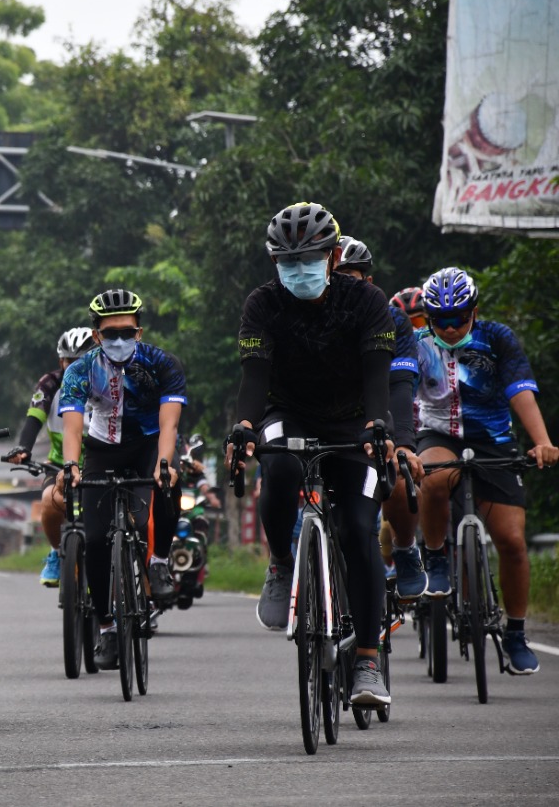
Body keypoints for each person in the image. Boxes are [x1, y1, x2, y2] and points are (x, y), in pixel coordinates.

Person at [226, 202, 396, 707]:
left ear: (333, 256)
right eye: (286, 261)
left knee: (360, 532)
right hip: (289, 412)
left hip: (355, 419)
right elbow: (254, 379)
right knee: (277, 464)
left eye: (309, 258)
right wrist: (243, 426)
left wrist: (378, 425)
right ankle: (281, 563)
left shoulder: (365, 302)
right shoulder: (262, 304)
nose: (297, 270)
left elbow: (378, 377)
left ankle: (367, 660)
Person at [413, 266, 557, 675]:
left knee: (512, 541)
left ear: (474, 312)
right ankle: (436, 559)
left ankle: (514, 632)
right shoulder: (418, 344)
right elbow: (399, 387)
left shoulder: (497, 338)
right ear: (427, 318)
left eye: (460, 317)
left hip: (492, 439)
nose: (452, 327)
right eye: (441, 320)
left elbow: (520, 389)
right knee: (433, 477)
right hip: (438, 433)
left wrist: (542, 441)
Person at [59, 288, 186, 670]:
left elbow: (169, 423)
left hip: (149, 444)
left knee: (166, 483)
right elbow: (72, 428)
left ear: (139, 333)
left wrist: (164, 463)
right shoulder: (80, 370)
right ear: (95, 335)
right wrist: (71, 466)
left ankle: (159, 561)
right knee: (96, 540)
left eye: (127, 332)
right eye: (110, 333)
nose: (119, 340)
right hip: (102, 449)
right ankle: (107, 627)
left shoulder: (163, 364)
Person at [335, 237, 428, 598]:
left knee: (402, 480)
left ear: (368, 282)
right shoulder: (308, 311)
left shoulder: (391, 319)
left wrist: (403, 444)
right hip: (330, 419)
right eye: (335, 276)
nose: (342, 284)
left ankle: (404, 548)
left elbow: (400, 385)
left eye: (351, 276)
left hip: (379, 415)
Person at [5, 327, 96, 587]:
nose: (73, 367)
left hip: (100, 462)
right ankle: (57, 552)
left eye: (80, 361)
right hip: (60, 463)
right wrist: (24, 448)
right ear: (61, 361)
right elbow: (35, 418)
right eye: (69, 361)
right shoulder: (50, 383)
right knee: (48, 500)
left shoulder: (105, 382)